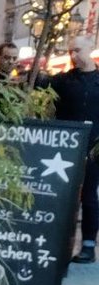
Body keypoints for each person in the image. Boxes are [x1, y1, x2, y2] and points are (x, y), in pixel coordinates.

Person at [48, 37, 99, 264]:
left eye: (78, 50)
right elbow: (38, 85)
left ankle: (88, 245)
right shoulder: (63, 80)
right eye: (70, 51)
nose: (73, 55)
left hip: (94, 148)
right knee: (62, 196)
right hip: (66, 147)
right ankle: (57, 243)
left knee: (89, 196)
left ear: (90, 49)